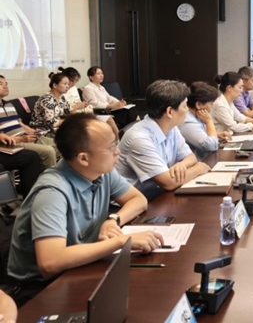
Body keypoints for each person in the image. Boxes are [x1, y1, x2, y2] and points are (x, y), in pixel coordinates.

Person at [6, 114, 162, 306]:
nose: (118, 152)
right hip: (40, 289)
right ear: (83, 158)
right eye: (111, 147)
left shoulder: (101, 172)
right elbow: (50, 263)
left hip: (79, 267)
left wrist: (113, 219)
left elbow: (138, 200)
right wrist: (121, 241)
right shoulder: (52, 192)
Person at [116, 80, 210, 200]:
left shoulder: (171, 127)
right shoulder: (139, 138)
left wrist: (181, 164)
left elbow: (191, 157)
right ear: (169, 111)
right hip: (132, 203)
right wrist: (199, 169)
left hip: (156, 195)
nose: (187, 110)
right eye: (184, 106)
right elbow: (168, 183)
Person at [0, 75, 58, 168]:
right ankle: (50, 177)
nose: (6, 86)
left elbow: (20, 123)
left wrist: (33, 131)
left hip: (27, 136)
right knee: (49, 151)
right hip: (14, 142)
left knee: (63, 145)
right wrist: (22, 139)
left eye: (6, 83)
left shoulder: (9, 104)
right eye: (1, 84)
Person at [178, 82, 232, 161]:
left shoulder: (197, 115)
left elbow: (200, 133)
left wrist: (217, 134)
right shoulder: (187, 121)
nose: (212, 108)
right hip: (198, 163)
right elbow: (212, 146)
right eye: (211, 104)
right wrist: (209, 122)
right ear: (198, 104)